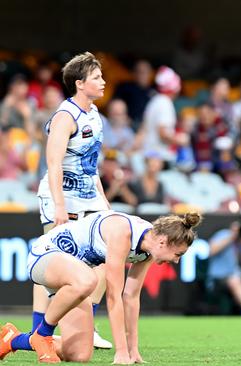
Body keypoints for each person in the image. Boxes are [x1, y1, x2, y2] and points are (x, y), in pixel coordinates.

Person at [0, 211, 202, 364]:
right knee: (89, 280)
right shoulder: (123, 232)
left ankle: (14, 339)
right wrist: (120, 351)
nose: (176, 262)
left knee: (79, 354)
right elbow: (114, 297)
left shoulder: (148, 249)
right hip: (45, 256)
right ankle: (42, 333)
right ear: (163, 242)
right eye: (178, 255)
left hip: (74, 276)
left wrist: (133, 350)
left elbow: (130, 297)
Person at [35, 52, 113, 350]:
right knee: (54, 267)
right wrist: (59, 207)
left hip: (89, 196)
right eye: (97, 77)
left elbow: (90, 165)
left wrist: (104, 202)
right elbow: (53, 164)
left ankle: (87, 326)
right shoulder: (65, 117)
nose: (103, 82)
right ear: (80, 84)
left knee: (105, 258)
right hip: (61, 197)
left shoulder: (94, 114)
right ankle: (39, 332)